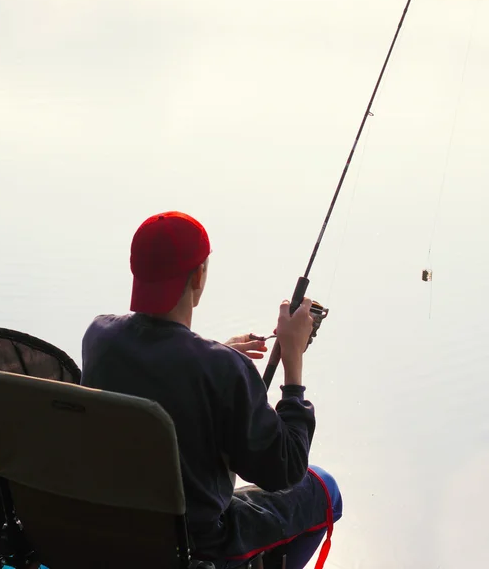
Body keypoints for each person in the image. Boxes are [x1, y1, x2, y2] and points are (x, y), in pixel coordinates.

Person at [81, 211, 342, 569]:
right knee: (324, 489)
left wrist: (217, 353)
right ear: (199, 275)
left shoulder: (99, 337)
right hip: (202, 543)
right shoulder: (222, 369)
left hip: (118, 528)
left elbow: (159, 359)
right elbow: (286, 469)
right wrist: (292, 360)